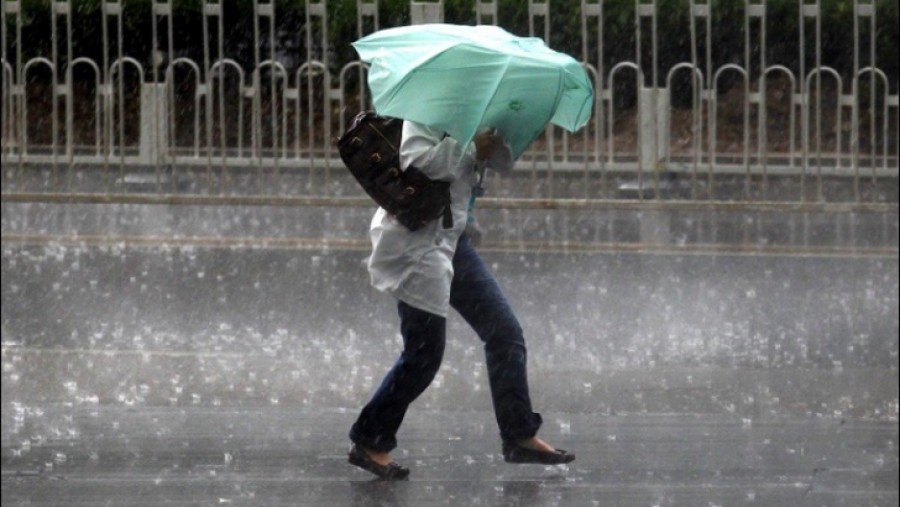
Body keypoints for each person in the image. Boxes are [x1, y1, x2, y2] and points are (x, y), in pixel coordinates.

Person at [347, 120, 574, 480]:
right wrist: (470, 148)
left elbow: (495, 165)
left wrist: (496, 145)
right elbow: (416, 160)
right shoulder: (426, 107)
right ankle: (370, 439)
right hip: (417, 241)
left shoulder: (476, 109)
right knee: (423, 354)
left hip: (453, 241)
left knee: (504, 333)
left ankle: (519, 435)